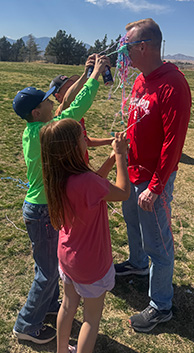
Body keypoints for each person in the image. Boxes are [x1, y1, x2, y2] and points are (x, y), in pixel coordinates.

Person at [11, 54, 111, 344]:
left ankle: (48, 306)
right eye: (46, 102)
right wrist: (95, 77)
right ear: (37, 113)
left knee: (49, 265)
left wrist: (84, 74)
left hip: (39, 208)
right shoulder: (46, 131)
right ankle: (26, 325)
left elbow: (66, 104)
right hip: (42, 211)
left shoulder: (33, 131)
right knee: (46, 272)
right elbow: (75, 109)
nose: (52, 102)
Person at [114, 18, 192, 333]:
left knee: (158, 243)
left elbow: (174, 142)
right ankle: (136, 265)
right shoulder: (140, 80)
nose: (124, 54)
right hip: (132, 173)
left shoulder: (173, 83)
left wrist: (156, 187)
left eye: (127, 47)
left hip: (153, 181)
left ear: (143, 47)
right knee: (133, 224)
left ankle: (161, 305)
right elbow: (135, 125)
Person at [40, 120, 130, 353]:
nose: (87, 141)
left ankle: (61, 350)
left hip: (68, 256)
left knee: (68, 306)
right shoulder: (88, 182)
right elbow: (122, 192)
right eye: (83, 138)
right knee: (91, 318)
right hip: (91, 263)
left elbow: (96, 184)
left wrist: (109, 159)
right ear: (72, 147)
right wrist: (121, 156)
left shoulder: (60, 176)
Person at [49, 73, 114, 159]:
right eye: (69, 88)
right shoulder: (62, 116)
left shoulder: (77, 114)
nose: (75, 89)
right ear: (58, 96)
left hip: (83, 165)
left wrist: (110, 140)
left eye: (74, 85)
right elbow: (67, 101)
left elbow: (86, 140)